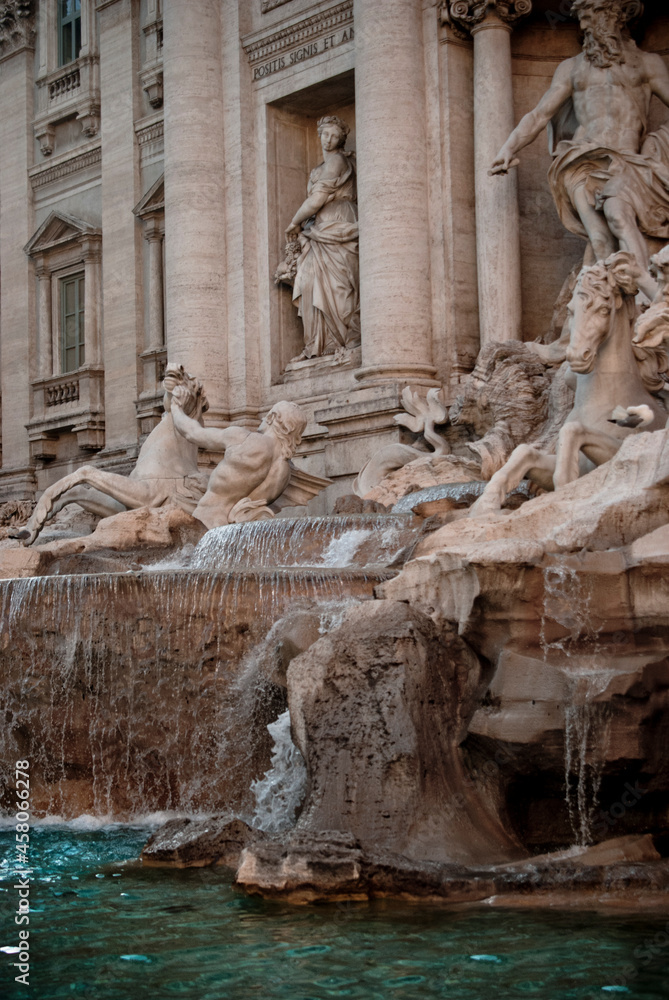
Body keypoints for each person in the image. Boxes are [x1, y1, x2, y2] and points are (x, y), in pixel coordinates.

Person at [490, 0, 669, 300]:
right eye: (582, 21)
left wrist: (659, 143)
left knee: (618, 218)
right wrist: (508, 148)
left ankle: (651, 300)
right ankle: (613, 314)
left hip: (626, 163)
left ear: (616, 20)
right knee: (600, 240)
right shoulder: (572, 68)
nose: (585, 27)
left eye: (592, 18)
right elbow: (539, 114)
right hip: (580, 161)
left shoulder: (647, 64)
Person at [279, 115, 360, 361]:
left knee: (339, 286)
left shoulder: (337, 161)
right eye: (326, 134)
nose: (329, 140)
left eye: (335, 136)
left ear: (341, 140)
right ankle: (320, 345)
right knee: (310, 282)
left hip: (338, 223)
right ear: (319, 135)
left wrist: (294, 222)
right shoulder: (317, 169)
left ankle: (344, 341)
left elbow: (316, 200)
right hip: (319, 229)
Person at [168, 392, 308, 529]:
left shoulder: (245, 439)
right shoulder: (285, 472)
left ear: (272, 417)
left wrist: (175, 408)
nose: (262, 420)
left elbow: (193, 433)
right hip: (236, 534)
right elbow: (242, 493)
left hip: (207, 523)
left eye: (266, 417)